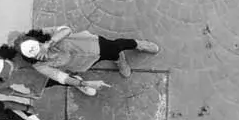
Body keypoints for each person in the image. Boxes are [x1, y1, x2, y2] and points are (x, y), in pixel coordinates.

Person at [17, 25, 161, 84]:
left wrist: (49, 43)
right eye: (35, 56)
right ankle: (118, 58)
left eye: (38, 48)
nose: (41, 54)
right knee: (108, 56)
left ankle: (138, 45)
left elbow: (66, 29)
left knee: (116, 46)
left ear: (38, 41)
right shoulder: (39, 66)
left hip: (92, 44)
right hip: (84, 63)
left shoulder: (45, 35)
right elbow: (58, 76)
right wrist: (80, 83)